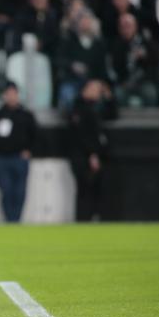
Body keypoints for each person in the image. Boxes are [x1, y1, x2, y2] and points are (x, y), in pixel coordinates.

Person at [0, 81, 37, 223]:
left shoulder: (26, 115)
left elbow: (35, 136)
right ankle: (9, 219)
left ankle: (16, 219)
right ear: (4, 96)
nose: (12, 97)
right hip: (1, 159)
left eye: (14, 94)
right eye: (9, 94)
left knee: (19, 192)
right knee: (6, 190)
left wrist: (29, 151)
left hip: (19, 158)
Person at [68, 79, 117, 222]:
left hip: (95, 155)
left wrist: (108, 95)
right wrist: (92, 154)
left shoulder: (95, 108)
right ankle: (83, 220)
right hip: (82, 157)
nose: (98, 93)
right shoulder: (78, 108)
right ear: (86, 89)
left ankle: (92, 219)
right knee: (85, 190)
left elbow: (112, 114)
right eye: (96, 89)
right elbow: (80, 135)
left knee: (96, 191)